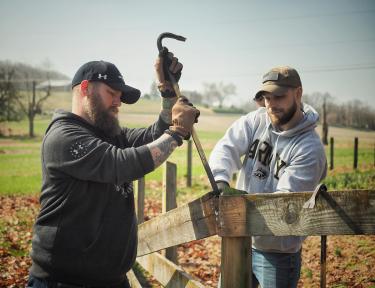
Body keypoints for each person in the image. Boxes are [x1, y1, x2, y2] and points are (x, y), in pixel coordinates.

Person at [27, 50, 200, 288]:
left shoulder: (110, 135)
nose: (118, 102)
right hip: (64, 282)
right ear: (85, 88)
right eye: (111, 93)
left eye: (120, 96)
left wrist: (167, 89)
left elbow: (153, 135)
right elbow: (121, 164)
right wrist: (178, 131)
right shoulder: (64, 137)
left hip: (113, 280)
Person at [209, 66, 327, 288]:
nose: (271, 104)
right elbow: (226, 148)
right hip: (240, 240)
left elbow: (284, 207)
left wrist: (238, 213)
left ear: (298, 93)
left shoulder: (309, 149)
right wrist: (221, 183)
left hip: (277, 253)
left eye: (279, 97)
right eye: (266, 97)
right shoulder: (256, 120)